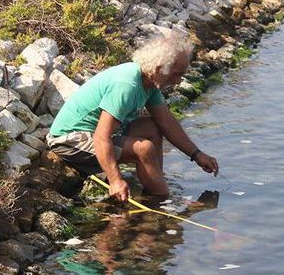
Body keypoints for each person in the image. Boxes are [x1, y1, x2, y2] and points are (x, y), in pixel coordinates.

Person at [46, 29, 219, 201]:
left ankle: (155, 183)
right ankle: (160, 200)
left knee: (153, 127)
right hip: (69, 139)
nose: (179, 81)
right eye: (177, 74)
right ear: (160, 69)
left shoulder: (149, 82)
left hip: (93, 133)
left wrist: (196, 154)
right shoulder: (126, 85)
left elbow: (167, 122)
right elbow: (101, 137)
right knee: (144, 149)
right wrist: (115, 180)